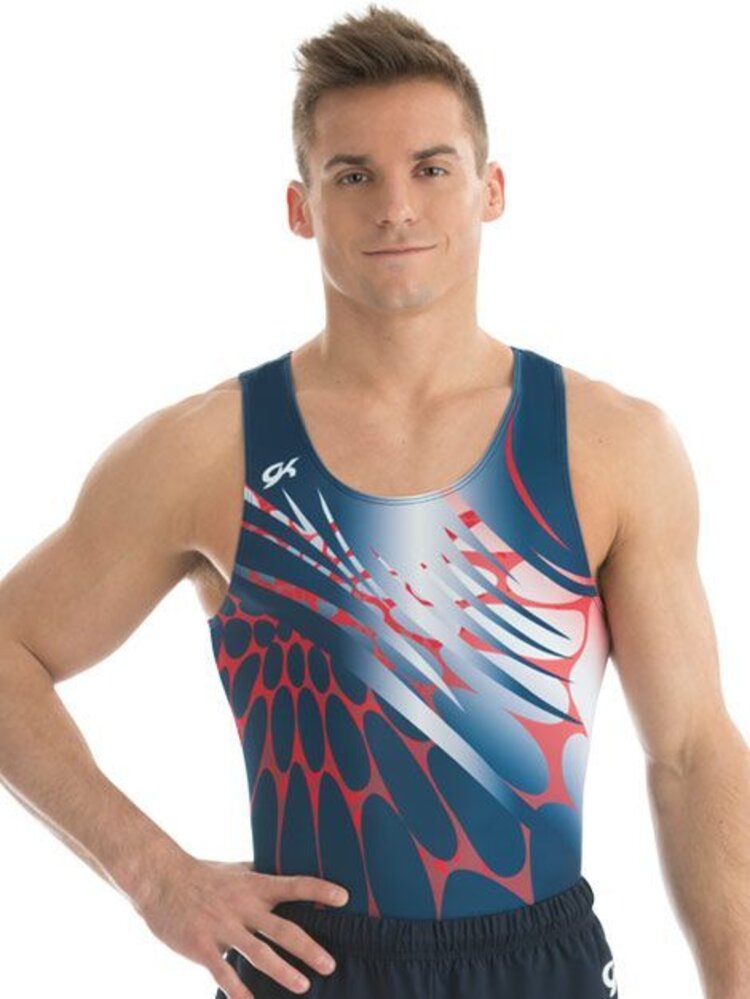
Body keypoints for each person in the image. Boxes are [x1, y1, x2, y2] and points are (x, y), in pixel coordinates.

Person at [1, 4, 748, 998]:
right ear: (300, 206)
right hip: (311, 965)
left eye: (431, 168)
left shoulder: (611, 445)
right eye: (354, 176)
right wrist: (156, 877)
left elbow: (692, 753)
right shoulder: (204, 451)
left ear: (490, 189)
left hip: (540, 965)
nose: (397, 208)